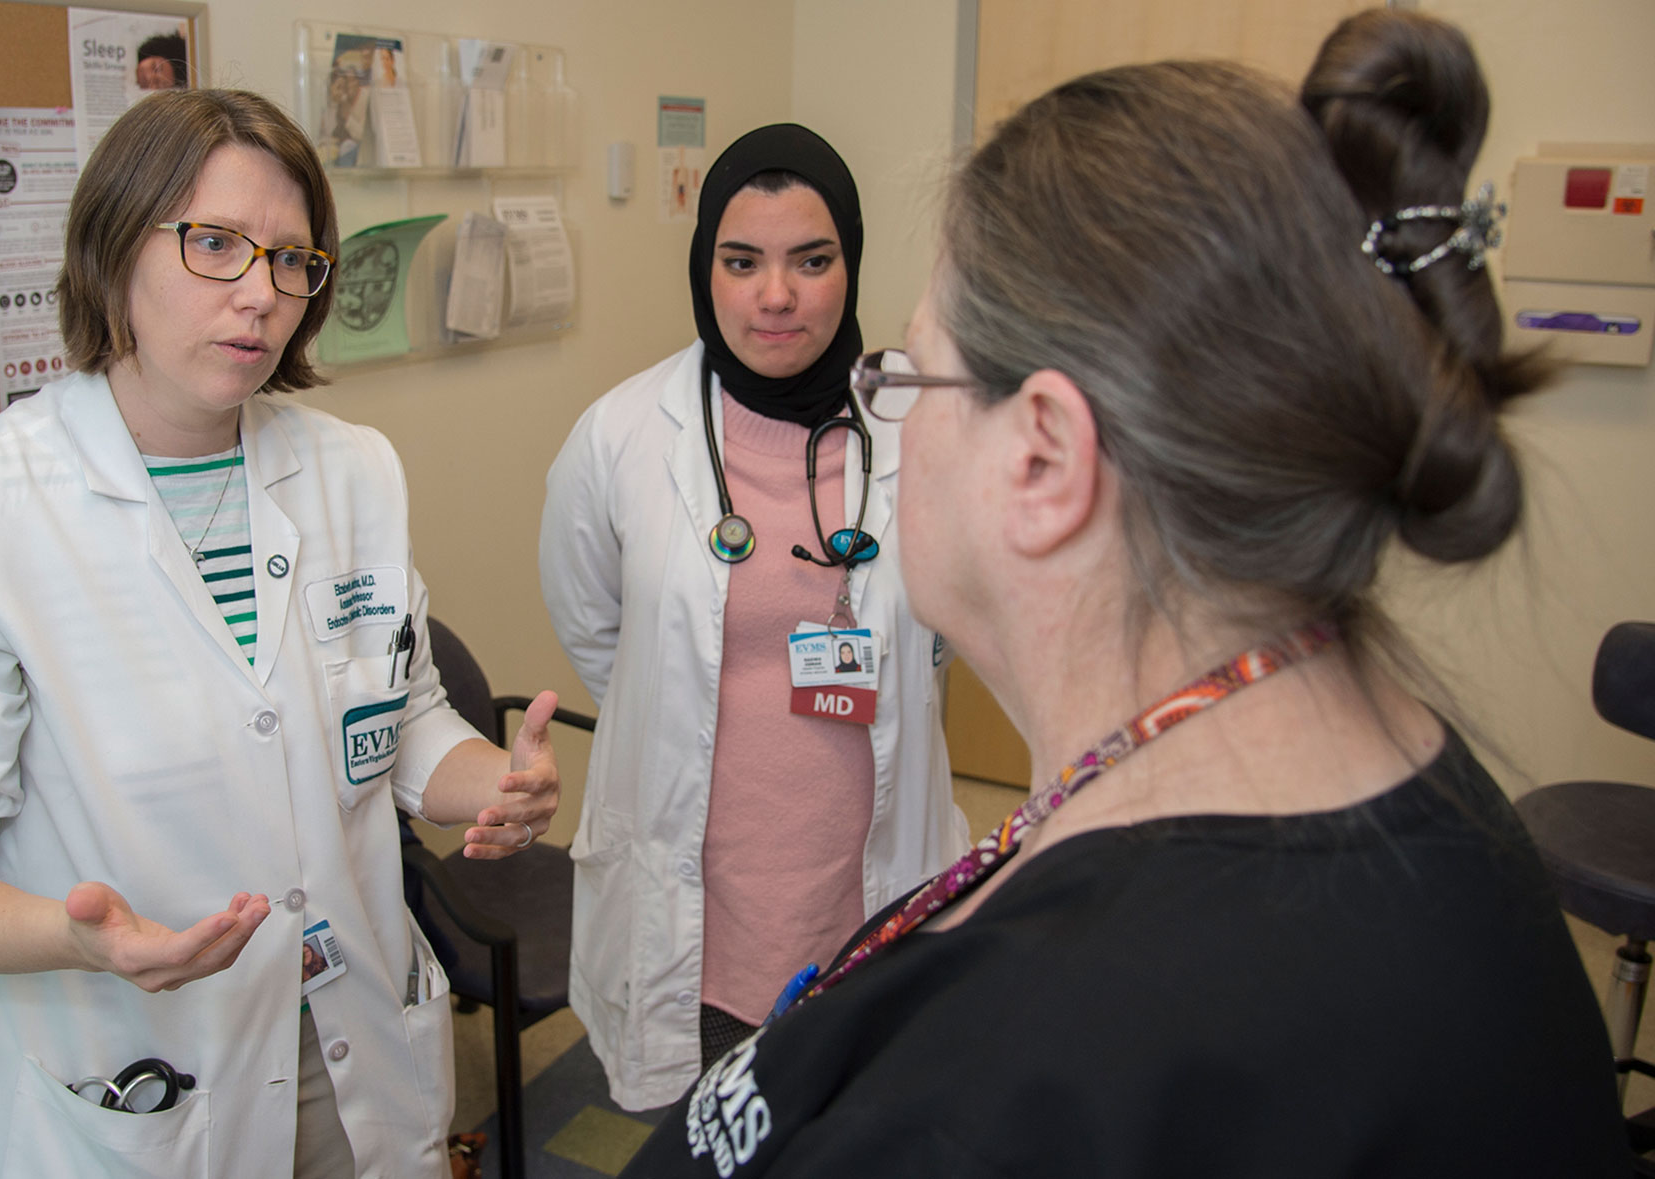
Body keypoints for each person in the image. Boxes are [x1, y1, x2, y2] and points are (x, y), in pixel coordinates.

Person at [622, 11, 1630, 1176]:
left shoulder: (1003, 1087)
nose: (887, 406)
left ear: (1041, 455)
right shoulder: (1421, 805)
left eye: (907, 369)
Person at [0, 87, 560, 1179]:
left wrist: (484, 780)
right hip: (137, 1080)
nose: (259, 295)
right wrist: (79, 940)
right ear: (114, 247)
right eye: (214, 245)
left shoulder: (349, 468)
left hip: (356, 1036)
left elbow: (397, 718)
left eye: (290, 260)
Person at [540, 124, 965, 1111]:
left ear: (848, 263)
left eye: (810, 261)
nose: (775, 295)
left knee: (864, 1128)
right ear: (706, 269)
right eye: (742, 261)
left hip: (868, 878)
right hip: (697, 905)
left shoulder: (922, 419)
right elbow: (597, 631)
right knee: (706, 1134)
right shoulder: (619, 434)